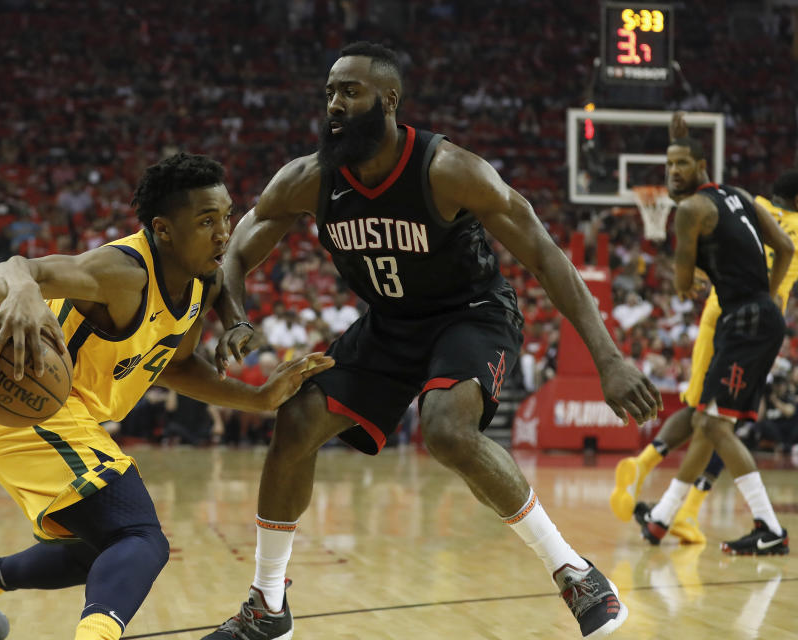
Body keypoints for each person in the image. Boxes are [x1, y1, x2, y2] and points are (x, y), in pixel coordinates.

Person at [207, 42, 661, 639]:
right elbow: (234, 251)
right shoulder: (308, 180)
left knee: (446, 429)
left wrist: (609, 358)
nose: (335, 105)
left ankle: (576, 573)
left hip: (471, 314)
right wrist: (235, 317)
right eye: (329, 93)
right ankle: (267, 606)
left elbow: (547, 258)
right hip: (390, 323)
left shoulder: (448, 170)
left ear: (389, 100)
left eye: (350, 91)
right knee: (296, 419)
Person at [0, 153, 333, 640]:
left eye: (227, 217)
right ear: (164, 229)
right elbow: (15, 266)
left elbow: (174, 365)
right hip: (25, 410)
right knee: (141, 538)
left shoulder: (198, 282)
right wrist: (22, 289)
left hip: (68, 418)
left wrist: (259, 398)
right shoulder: (121, 271)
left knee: (99, 548)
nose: (222, 233)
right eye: (206, 221)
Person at [609, 118, 798, 544]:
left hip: (740, 321)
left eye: (680, 164)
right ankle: (663, 517)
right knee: (707, 418)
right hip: (759, 319)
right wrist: (766, 299)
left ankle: (768, 527)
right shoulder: (742, 196)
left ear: (699, 165)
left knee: (714, 426)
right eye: (668, 165)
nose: (672, 172)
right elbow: (785, 250)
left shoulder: (691, 211)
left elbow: (680, 285)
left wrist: (690, 274)